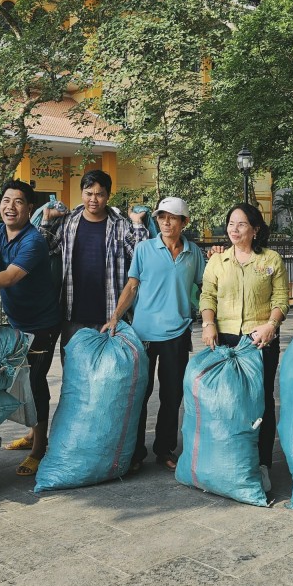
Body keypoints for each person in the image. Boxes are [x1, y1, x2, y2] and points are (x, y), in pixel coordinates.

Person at [0, 180, 62, 476]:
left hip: (42, 325)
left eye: (18, 202)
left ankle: (39, 449)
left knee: (36, 383)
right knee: (22, 380)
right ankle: (33, 434)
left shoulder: (33, 241)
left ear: (30, 208)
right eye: (6, 200)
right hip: (17, 322)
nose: (10, 206)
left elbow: (8, 278)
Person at [102, 197, 206, 472]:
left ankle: (164, 449)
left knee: (172, 396)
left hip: (178, 333)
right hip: (144, 333)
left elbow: (205, 288)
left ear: (184, 222)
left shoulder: (194, 253)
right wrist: (115, 317)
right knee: (140, 394)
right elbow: (132, 286)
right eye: (161, 217)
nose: (166, 222)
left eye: (172, 217)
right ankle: (135, 452)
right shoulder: (144, 249)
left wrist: (212, 323)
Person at [199, 202, 289, 494]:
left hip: (258, 340)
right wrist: (208, 324)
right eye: (230, 224)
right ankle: (228, 457)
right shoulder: (217, 260)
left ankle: (262, 463)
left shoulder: (271, 259)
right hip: (224, 339)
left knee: (260, 400)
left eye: (241, 224)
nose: (234, 230)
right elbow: (207, 296)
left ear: (255, 229)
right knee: (227, 401)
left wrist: (270, 326)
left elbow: (281, 299)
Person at [39, 169, 148, 347]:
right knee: (74, 371)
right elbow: (44, 249)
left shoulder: (120, 225)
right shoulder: (68, 221)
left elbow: (142, 255)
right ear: (81, 192)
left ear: (108, 196)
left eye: (99, 194)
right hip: (72, 312)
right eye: (88, 193)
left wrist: (137, 222)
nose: (93, 199)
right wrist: (46, 219)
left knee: (108, 372)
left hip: (110, 315)